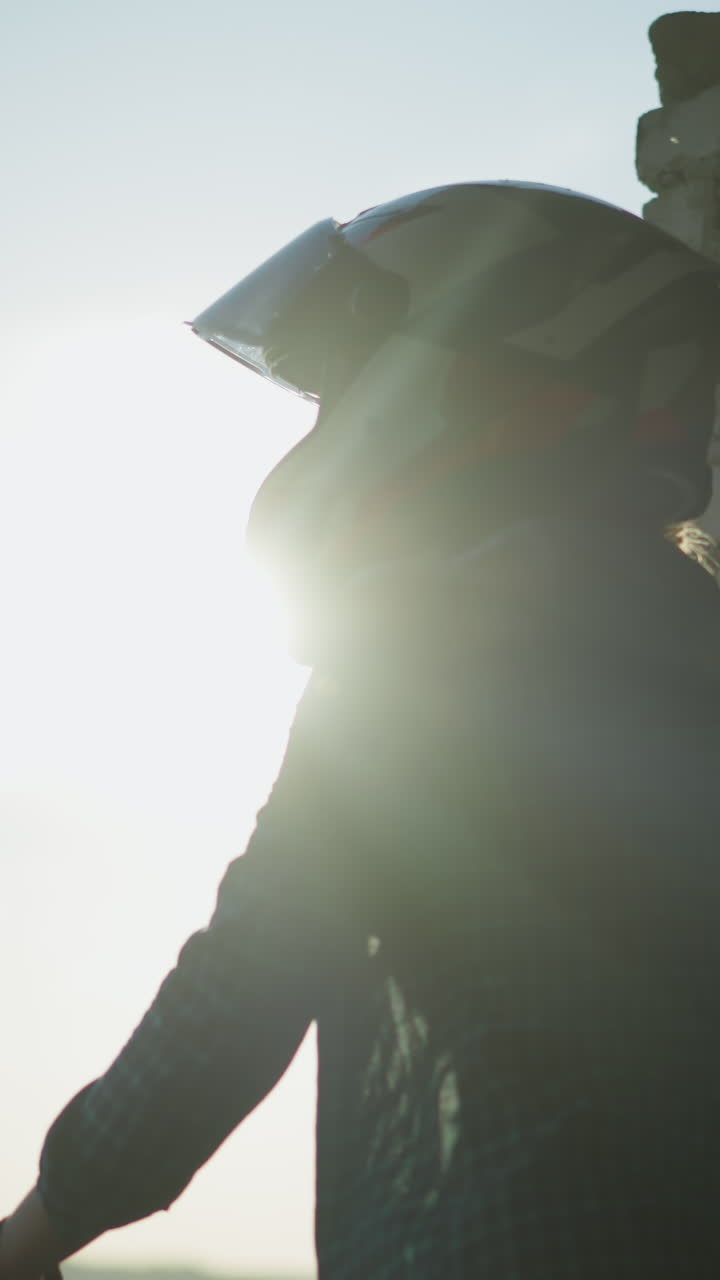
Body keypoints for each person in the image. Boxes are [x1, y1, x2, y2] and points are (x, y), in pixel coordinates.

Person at [2, 182, 720, 1280]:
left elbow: (245, 978)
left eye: (348, 391)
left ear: (470, 384)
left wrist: (46, 1221)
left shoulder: (430, 654)